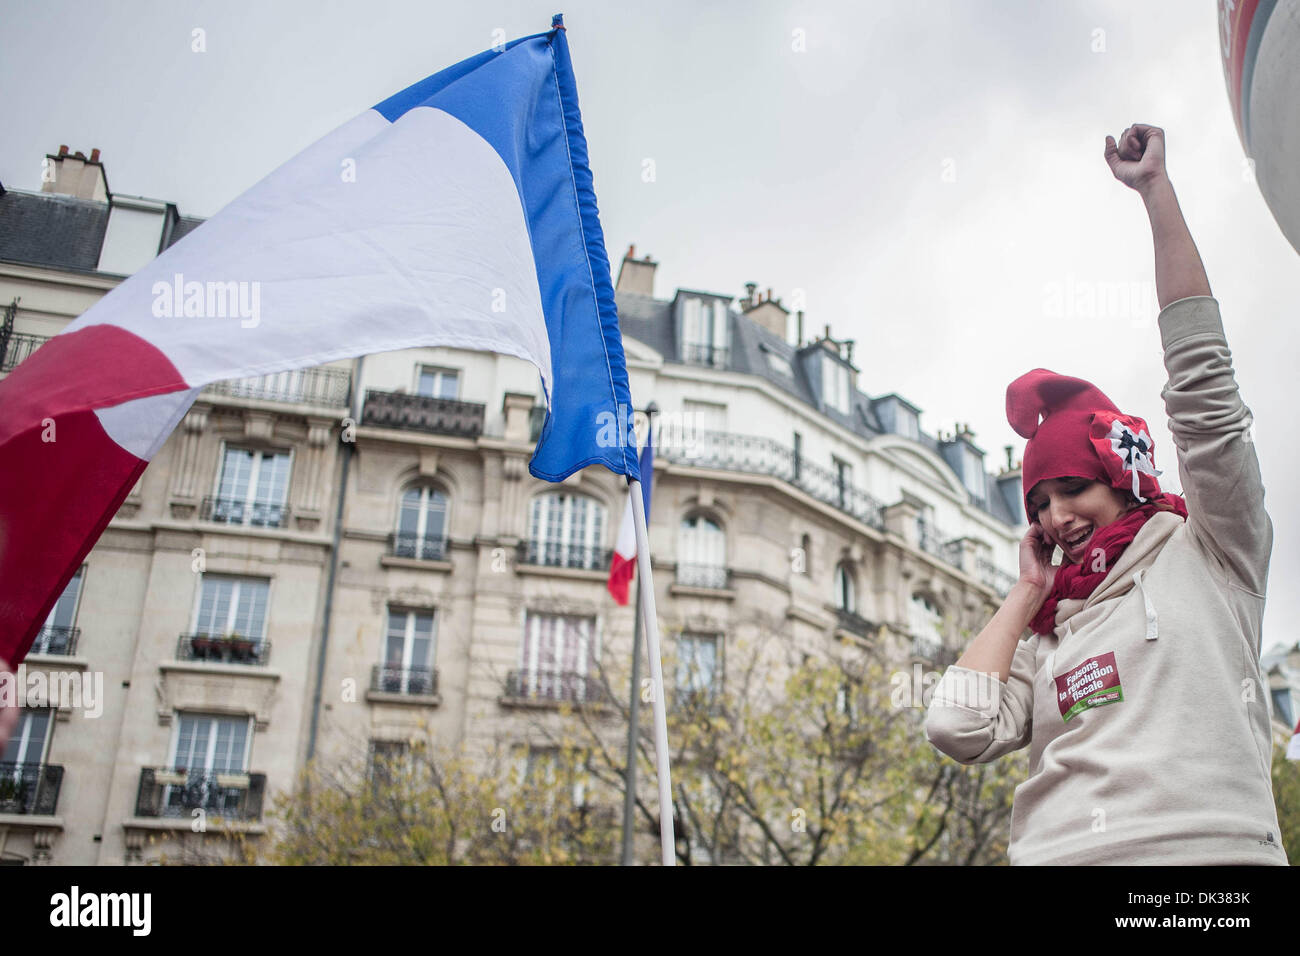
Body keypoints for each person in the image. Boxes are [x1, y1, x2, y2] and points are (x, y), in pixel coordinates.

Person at [924, 124, 1288, 865]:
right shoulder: (1049, 630)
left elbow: (1205, 395)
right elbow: (955, 729)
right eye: (1037, 505)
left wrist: (1156, 193)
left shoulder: (1215, 549)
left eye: (1072, 489)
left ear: (1120, 477)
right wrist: (1028, 596)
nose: (1055, 517)